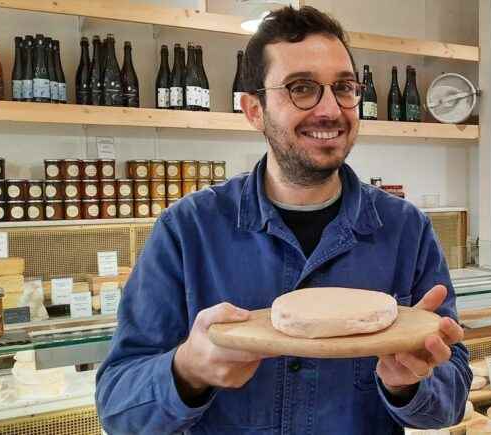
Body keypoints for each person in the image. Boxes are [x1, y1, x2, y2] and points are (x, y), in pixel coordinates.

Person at [95, 6, 471, 434]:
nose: (330, 109)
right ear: (253, 110)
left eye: (344, 88)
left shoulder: (406, 230)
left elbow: (452, 400)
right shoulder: (188, 229)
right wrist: (188, 369)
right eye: (302, 88)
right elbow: (118, 409)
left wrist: (409, 386)